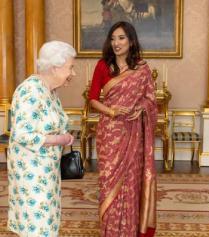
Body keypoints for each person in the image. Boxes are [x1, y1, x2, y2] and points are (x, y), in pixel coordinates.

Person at [88, 21, 157, 237]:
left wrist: (141, 109)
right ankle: (110, 230)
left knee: (132, 180)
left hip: (134, 131)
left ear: (131, 40)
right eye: (113, 38)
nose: (116, 43)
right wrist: (111, 111)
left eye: (121, 38)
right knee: (109, 180)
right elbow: (92, 99)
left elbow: (151, 99)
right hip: (110, 132)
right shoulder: (102, 65)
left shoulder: (142, 68)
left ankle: (129, 229)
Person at [7, 41, 76, 237]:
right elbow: (21, 134)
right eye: (70, 67)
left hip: (47, 171)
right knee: (37, 226)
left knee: (45, 223)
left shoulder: (51, 91)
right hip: (31, 172)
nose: (73, 73)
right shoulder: (30, 90)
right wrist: (61, 139)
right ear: (55, 67)